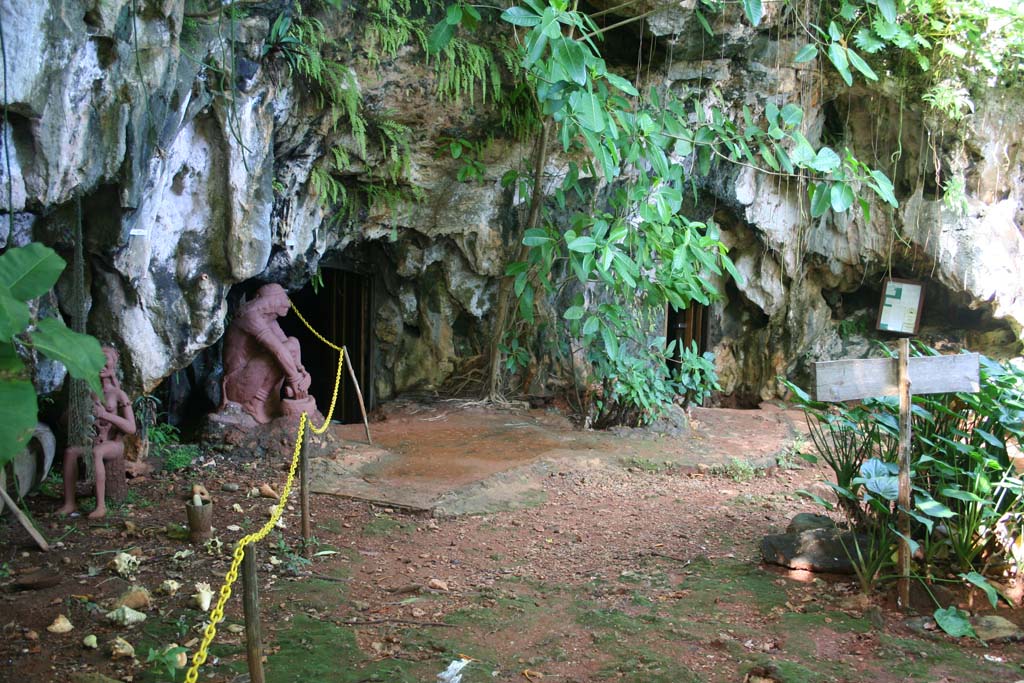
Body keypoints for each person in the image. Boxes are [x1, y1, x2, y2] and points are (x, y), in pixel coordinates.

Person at [57, 347, 137, 519]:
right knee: (71, 452)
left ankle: (100, 506)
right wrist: (78, 408)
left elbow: (131, 428)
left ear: (113, 364)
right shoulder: (87, 392)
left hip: (113, 444)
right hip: (92, 440)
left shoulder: (118, 394)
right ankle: (69, 502)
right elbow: (64, 421)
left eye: (105, 359)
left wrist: (105, 415)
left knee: (97, 452)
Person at [220, 283, 313, 423]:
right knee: (275, 355)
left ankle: (268, 401)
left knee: (292, 343)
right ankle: (254, 404)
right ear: (271, 300)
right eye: (282, 298)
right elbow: (278, 350)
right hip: (236, 385)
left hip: (251, 379)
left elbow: (290, 346)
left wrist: (300, 371)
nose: (287, 304)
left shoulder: (269, 319)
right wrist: (294, 380)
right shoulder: (249, 315)